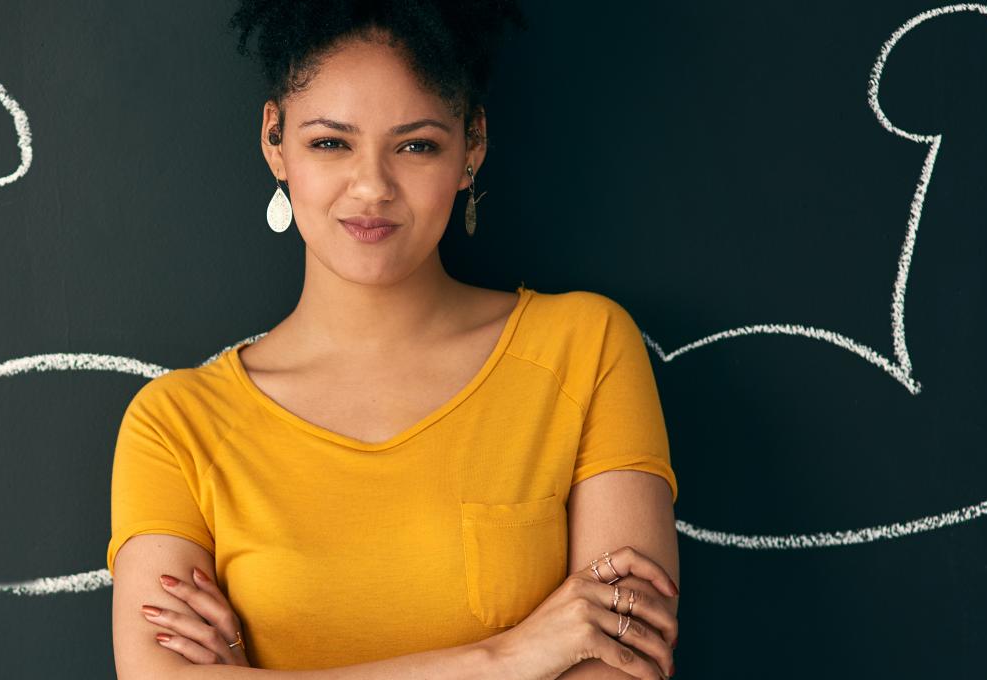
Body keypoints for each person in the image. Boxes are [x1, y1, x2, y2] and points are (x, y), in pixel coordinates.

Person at [108, 1, 680, 678]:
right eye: (330, 142)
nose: (372, 186)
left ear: (472, 146)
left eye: (416, 145)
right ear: (275, 141)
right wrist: (507, 657)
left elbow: (619, 664)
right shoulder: (175, 426)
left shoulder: (584, 348)